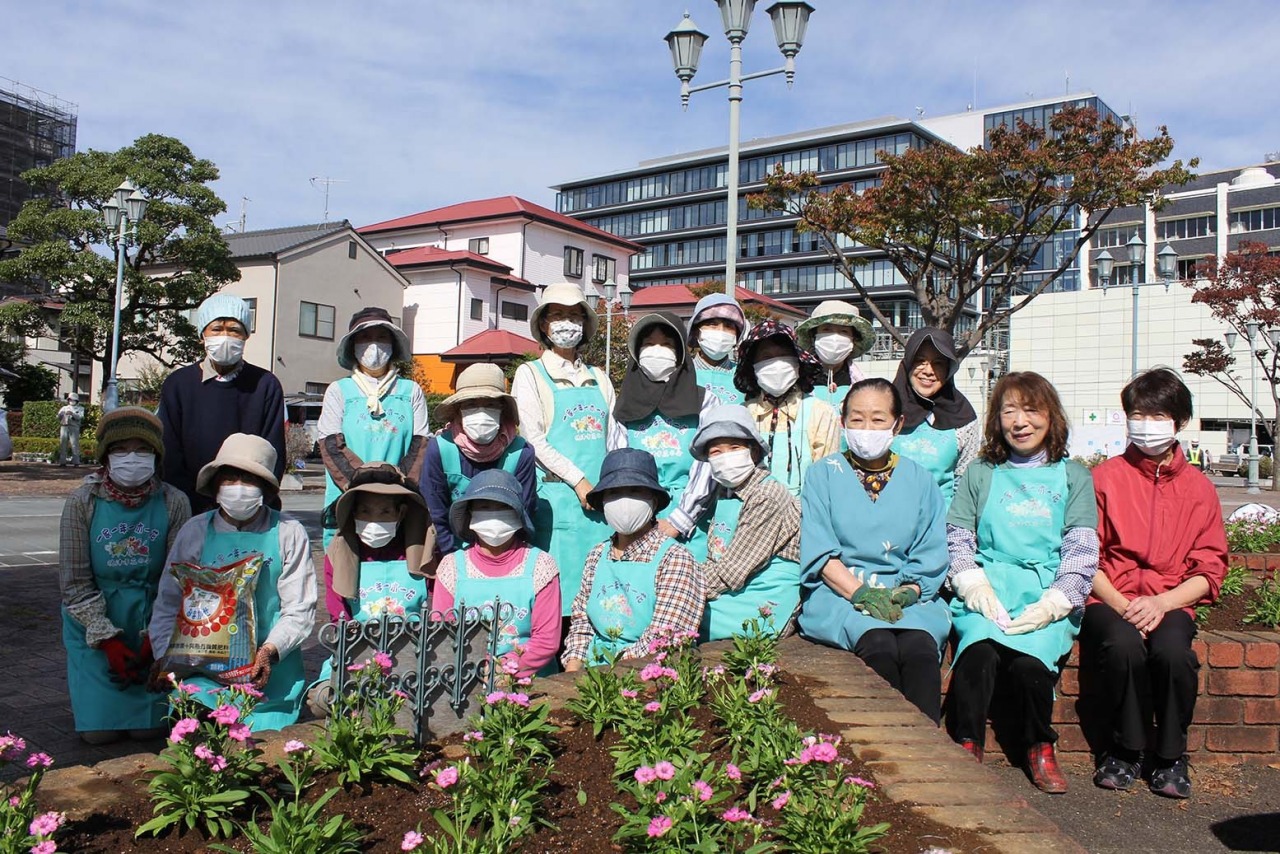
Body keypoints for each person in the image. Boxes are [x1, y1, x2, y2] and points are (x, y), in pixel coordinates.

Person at [944, 372, 1098, 794]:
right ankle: (967, 742)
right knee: (977, 657)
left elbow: (1082, 547)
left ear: (1051, 416)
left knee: (1032, 668)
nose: (1020, 421)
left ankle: (1038, 747)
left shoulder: (1074, 477)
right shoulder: (980, 472)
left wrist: (1057, 601)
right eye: (1009, 410)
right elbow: (958, 534)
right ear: (997, 419)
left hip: (1044, 589)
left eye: (1031, 410)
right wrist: (972, 584)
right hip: (990, 586)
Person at [1082, 368, 1228, 799]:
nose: (1146, 424)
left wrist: (1161, 603)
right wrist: (1123, 603)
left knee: (1172, 654)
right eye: (1137, 414)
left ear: (1179, 421)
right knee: (1123, 646)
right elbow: (1086, 553)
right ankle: (1124, 750)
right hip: (1109, 597)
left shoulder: (1200, 489)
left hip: (1171, 600)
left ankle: (1170, 755)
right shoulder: (1105, 478)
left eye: (1158, 414)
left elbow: (1209, 568)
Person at [798, 379, 950, 722]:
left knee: (920, 650)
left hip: (905, 595)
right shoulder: (822, 475)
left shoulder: (921, 480)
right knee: (878, 645)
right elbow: (821, 550)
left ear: (897, 424)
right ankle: (883, 751)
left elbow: (929, 550)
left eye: (878, 420)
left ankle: (928, 750)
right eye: (857, 419)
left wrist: (910, 592)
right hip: (841, 594)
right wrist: (861, 593)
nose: (867, 428)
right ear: (843, 421)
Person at [149, 433, 316, 731]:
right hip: (202, 669)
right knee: (202, 725)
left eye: (249, 480)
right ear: (215, 485)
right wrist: (164, 656)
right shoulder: (195, 531)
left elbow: (299, 609)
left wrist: (269, 651)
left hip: (268, 674)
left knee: (264, 741)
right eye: (230, 478)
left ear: (265, 488)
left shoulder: (289, 532)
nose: (238, 488)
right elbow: (169, 601)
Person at [58, 407, 191, 744]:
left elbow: (178, 578)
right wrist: (109, 641)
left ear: (156, 456)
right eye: (120, 449)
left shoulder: (174, 502)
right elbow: (74, 583)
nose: (132, 458)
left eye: (142, 449)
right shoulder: (82, 502)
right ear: (105, 456)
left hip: (153, 617)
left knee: (148, 731)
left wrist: (153, 642)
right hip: (93, 621)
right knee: (98, 736)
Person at [511, 283, 625, 617]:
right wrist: (578, 481)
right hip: (556, 501)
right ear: (544, 325)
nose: (567, 323)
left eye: (575, 315)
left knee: (600, 596)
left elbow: (614, 436)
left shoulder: (599, 377)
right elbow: (534, 440)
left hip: (601, 502)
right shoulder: (530, 374)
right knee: (556, 598)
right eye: (558, 315)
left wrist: (613, 483)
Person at [562, 448, 704, 669]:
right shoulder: (596, 556)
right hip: (592, 679)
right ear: (602, 503)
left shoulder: (675, 559)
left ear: (655, 501)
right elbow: (582, 626)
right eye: (614, 493)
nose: (625, 501)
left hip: (646, 678)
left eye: (636, 490)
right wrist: (571, 679)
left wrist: (608, 676)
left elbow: (663, 640)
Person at [159, 293, 286, 514]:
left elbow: (273, 451)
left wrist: (246, 500)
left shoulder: (265, 384)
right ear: (202, 335)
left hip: (248, 505)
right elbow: (168, 453)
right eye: (216, 329)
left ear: (246, 335)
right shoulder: (178, 384)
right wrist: (188, 501)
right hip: (187, 506)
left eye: (234, 330)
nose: (225, 336)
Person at [433, 469, 562, 678]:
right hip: (467, 680)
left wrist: (506, 670)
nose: (493, 514)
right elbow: (442, 634)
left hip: (530, 684)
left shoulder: (541, 565)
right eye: (484, 506)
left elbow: (547, 640)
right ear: (470, 514)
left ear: (517, 514)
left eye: (503, 507)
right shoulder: (451, 568)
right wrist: (476, 672)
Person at [318, 307, 429, 546]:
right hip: (348, 497)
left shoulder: (411, 391)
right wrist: (361, 484)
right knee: (346, 573)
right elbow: (330, 445)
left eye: (382, 337)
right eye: (365, 338)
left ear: (393, 344)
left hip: (398, 499)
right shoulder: (338, 391)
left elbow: (420, 444)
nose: (374, 345)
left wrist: (396, 486)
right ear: (352, 346)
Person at [691, 404, 801, 640]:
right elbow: (715, 558)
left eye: (734, 447)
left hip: (764, 598)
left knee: (682, 619)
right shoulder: (725, 492)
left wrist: (681, 588)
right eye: (716, 452)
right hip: (732, 591)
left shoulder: (766, 496)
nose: (725, 457)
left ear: (752, 452)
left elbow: (731, 572)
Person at [617, 312, 719, 560]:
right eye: (649, 344)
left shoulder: (705, 401)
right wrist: (633, 516)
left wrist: (680, 519)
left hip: (691, 522)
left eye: (666, 344)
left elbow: (707, 464)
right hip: (635, 519)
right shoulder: (623, 405)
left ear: (681, 352)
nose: (657, 350)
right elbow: (617, 463)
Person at [421, 362, 536, 559]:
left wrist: (510, 559)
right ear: (457, 411)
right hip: (452, 552)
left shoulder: (521, 453)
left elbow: (526, 511)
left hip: (510, 553)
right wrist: (453, 559)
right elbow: (435, 512)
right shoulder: (440, 449)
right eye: (471, 404)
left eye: (490, 404)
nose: (481, 413)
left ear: (502, 410)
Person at [733, 319, 840, 496]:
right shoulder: (742, 414)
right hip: (752, 513)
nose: (777, 363)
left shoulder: (821, 412)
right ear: (753, 367)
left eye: (784, 355)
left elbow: (827, 476)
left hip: (806, 511)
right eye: (767, 357)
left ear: (798, 362)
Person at [322, 462, 435, 624]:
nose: (374, 521)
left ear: (401, 513)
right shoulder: (338, 555)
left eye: (385, 511)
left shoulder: (424, 551)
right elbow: (338, 613)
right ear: (353, 513)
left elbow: (435, 608)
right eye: (365, 511)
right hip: (358, 645)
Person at [890, 328, 980, 506]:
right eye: (920, 361)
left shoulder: (963, 417)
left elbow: (963, 484)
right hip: (886, 522)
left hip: (940, 526)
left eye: (938, 363)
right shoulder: (885, 408)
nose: (928, 371)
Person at [795, 300, 873, 410]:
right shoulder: (796, 381)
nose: (835, 338)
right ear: (813, 337)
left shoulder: (866, 385)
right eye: (827, 329)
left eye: (844, 331)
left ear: (853, 340)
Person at [688, 293, 748, 405]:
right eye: (712, 324)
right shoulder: (681, 374)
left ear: (736, 335)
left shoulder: (745, 376)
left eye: (728, 326)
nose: (721, 331)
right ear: (696, 332)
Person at [57, 393, 84, 467]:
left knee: (74, 444)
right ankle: (62, 462)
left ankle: (76, 462)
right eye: (70, 399)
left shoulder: (80, 408)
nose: (71, 401)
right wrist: (61, 415)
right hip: (64, 427)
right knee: (63, 444)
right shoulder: (64, 408)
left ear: (76, 400)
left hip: (74, 427)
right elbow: (58, 416)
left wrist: (72, 414)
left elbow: (80, 417)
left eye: (73, 400)